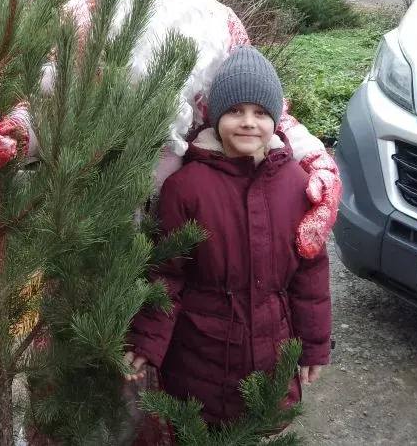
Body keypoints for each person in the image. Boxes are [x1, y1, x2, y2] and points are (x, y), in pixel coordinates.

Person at [44, 0, 342, 259]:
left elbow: (263, 107)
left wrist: (317, 161)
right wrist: (15, 131)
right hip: (90, 214)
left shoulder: (219, 23)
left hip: (191, 218)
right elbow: (43, 100)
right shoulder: (79, 18)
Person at [123, 47, 332, 431]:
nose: (248, 122)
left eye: (261, 113)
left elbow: (310, 275)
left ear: (275, 120)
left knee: (259, 429)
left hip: (273, 354)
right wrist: (148, 338)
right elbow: (166, 274)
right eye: (235, 111)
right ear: (216, 117)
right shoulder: (185, 188)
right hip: (200, 357)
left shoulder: (296, 185)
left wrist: (314, 345)